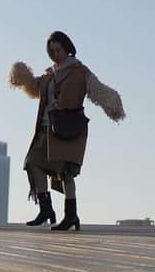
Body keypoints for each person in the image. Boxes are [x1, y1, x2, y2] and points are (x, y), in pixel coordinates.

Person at [9, 31, 125, 231]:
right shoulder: (49, 74)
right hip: (46, 128)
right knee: (33, 164)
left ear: (67, 48)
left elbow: (97, 89)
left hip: (69, 128)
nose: (55, 54)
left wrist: (112, 103)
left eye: (58, 50)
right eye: (51, 51)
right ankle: (46, 210)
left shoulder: (80, 71)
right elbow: (35, 87)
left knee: (66, 173)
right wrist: (23, 75)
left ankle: (71, 216)